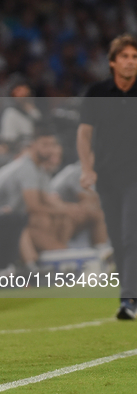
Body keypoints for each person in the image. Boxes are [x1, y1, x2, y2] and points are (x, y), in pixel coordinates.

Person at [77, 33, 137, 320]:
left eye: (135, 57)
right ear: (113, 62)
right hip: (108, 177)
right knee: (116, 237)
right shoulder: (97, 92)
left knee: (131, 234)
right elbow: (84, 134)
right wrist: (87, 168)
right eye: (125, 56)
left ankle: (129, 298)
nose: (130, 62)